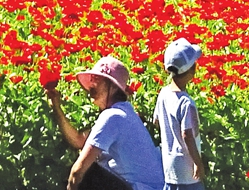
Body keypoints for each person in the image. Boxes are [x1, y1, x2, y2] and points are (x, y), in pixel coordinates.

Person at [46, 55, 165, 190]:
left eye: (98, 80)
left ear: (113, 87)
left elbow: (78, 171)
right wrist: (57, 108)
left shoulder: (113, 117)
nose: (91, 85)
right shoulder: (123, 112)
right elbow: (80, 141)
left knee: (88, 173)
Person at [153, 38, 206, 190]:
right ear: (191, 71)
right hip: (187, 168)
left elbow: (156, 121)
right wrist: (198, 163)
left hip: (169, 165)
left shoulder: (163, 94)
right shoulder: (186, 103)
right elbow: (187, 135)